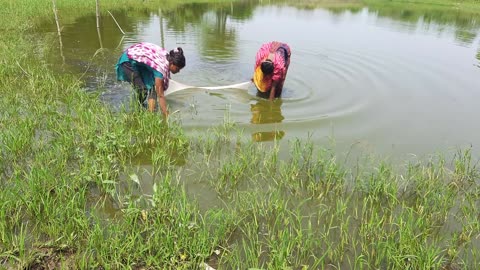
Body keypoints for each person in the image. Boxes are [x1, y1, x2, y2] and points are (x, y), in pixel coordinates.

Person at [116, 42, 186, 116]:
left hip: (141, 62)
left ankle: (150, 114)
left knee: (154, 87)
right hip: (128, 61)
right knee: (142, 90)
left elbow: (157, 89)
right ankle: (136, 111)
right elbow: (161, 95)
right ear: (171, 63)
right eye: (177, 68)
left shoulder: (167, 57)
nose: (178, 71)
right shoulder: (160, 69)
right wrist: (166, 114)